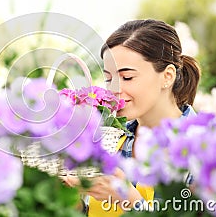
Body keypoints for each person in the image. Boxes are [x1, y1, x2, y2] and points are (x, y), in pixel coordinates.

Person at [63, 19, 201, 216]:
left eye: (127, 77)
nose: (114, 90)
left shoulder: (203, 148)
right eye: (109, 79)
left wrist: (129, 200)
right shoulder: (110, 142)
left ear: (167, 76)